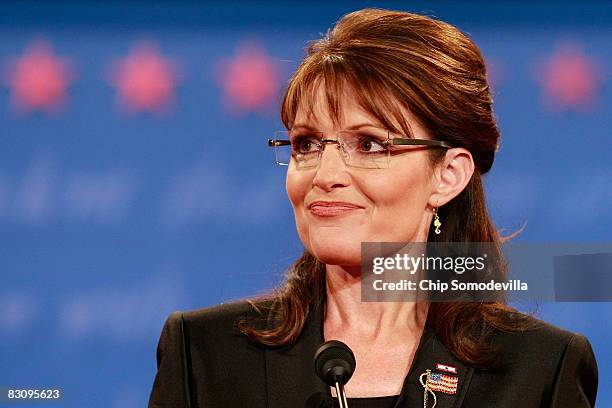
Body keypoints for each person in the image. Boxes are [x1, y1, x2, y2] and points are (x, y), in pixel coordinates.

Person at [148, 8, 598, 408]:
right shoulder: (204, 355)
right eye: (306, 144)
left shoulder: (539, 371)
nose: (324, 175)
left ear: (448, 175)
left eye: (368, 144)